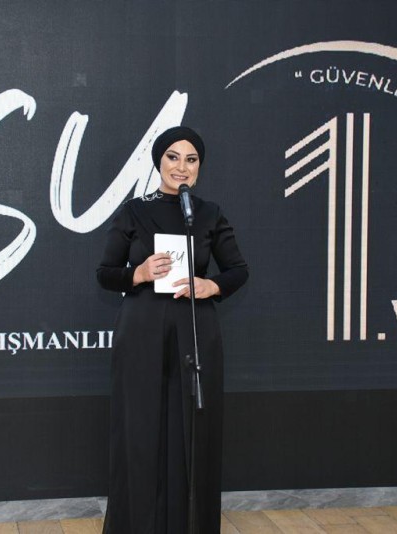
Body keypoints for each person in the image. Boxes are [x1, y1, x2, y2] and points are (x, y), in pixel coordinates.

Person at [97, 126, 249, 533]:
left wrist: (211, 286)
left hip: (195, 331)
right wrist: (139, 272)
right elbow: (105, 273)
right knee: (140, 431)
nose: (182, 167)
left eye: (191, 159)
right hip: (141, 332)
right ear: (159, 162)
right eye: (173, 157)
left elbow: (238, 270)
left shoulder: (209, 213)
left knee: (193, 431)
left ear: (199, 167)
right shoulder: (133, 211)